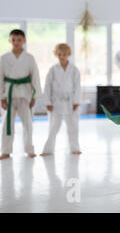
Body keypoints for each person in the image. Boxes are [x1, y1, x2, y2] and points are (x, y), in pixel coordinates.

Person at [0, 29, 42, 160]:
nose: (16, 42)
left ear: (24, 41)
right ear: (9, 41)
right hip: (9, 94)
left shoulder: (29, 58)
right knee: (7, 123)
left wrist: (34, 96)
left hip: (25, 94)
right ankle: (5, 151)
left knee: (28, 123)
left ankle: (29, 149)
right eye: (13, 40)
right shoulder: (4, 58)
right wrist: (1, 97)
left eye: (19, 40)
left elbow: (35, 76)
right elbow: (0, 77)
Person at [40, 43, 81, 156]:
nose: (61, 57)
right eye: (59, 54)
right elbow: (47, 86)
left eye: (64, 54)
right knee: (53, 126)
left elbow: (77, 86)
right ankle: (48, 149)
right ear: (56, 55)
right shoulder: (52, 70)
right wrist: (47, 102)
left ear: (68, 54)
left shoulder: (74, 70)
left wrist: (76, 101)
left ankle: (75, 148)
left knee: (73, 126)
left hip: (70, 101)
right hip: (56, 101)